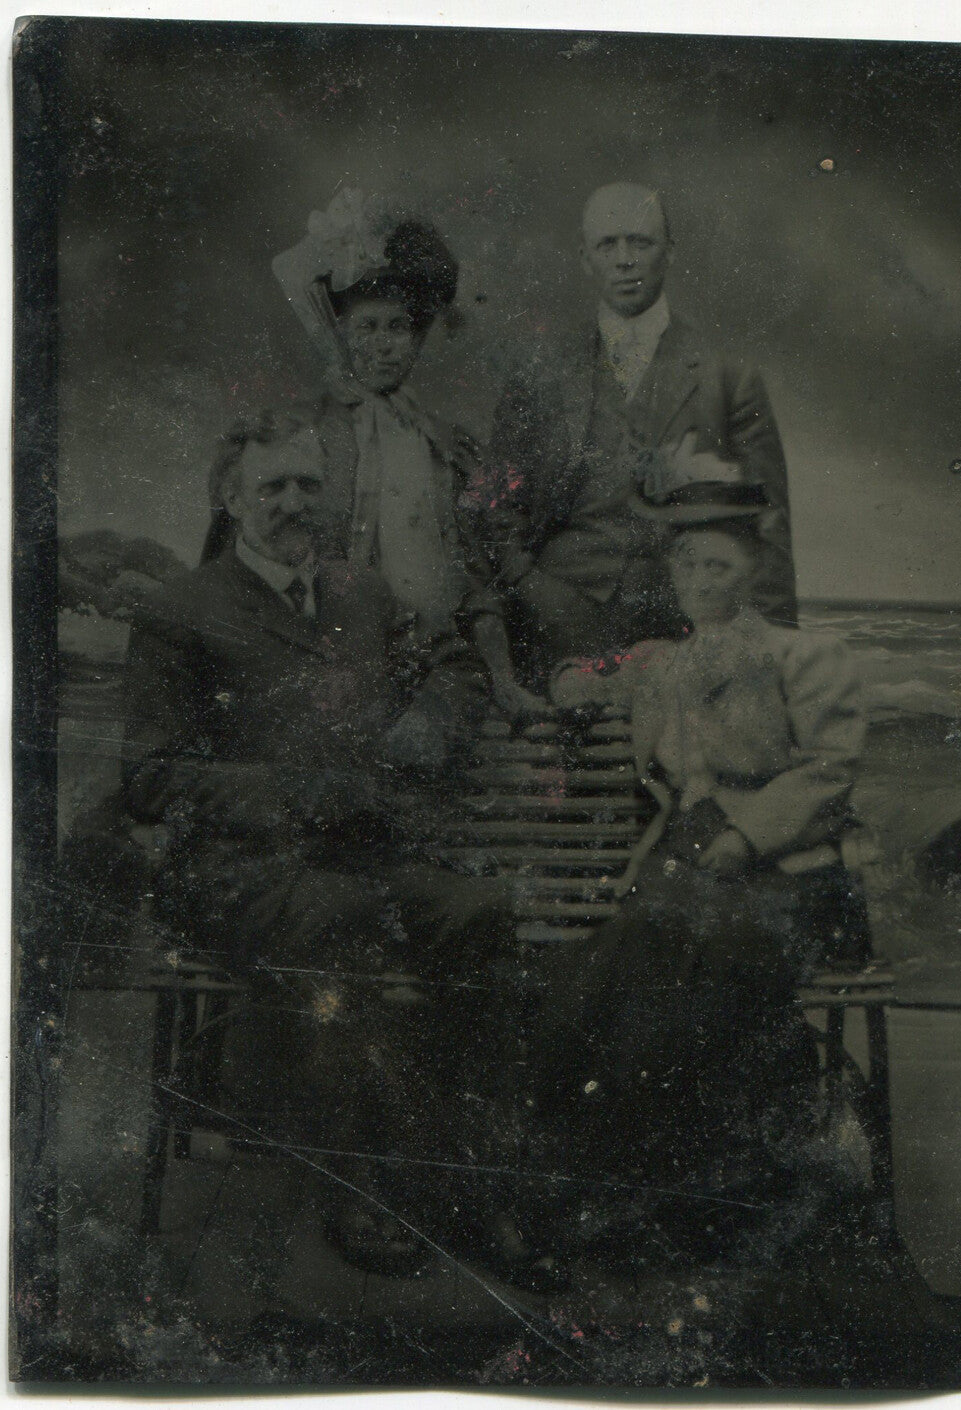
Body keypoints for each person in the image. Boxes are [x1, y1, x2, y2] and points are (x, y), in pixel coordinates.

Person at [122, 407, 520, 1273]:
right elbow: (150, 775)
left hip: (360, 850)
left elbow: (452, 665)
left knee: (477, 913)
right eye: (273, 486)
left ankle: (464, 1180)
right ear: (230, 498)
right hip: (238, 868)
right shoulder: (181, 609)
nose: (296, 502)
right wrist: (290, 792)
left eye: (309, 483)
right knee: (339, 920)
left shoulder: (361, 592)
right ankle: (363, 1188)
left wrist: (428, 724)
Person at [521, 490, 870, 1260]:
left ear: (752, 574)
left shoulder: (805, 657)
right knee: (609, 972)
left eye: (720, 564)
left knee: (690, 979)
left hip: (788, 877)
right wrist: (569, 681)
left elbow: (831, 771)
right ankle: (585, 1182)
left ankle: (662, 1196)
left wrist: (746, 838)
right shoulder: (665, 664)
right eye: (689, 562)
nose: (701, 578)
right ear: (672, 574)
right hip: (685, 872)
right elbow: (591, 677)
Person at [481, 181, 796, 677]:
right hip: (555, 611)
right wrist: (528, 585)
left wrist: (778, 649)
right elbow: (496, 504)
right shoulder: (539, 370)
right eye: (608, 244)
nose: (624, 260)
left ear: (669, 252)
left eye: (640, 242)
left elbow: (769, 520)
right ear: (585, 258)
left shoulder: (728, 374)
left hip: (687, 615)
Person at [268, 189, 547, 721]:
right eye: (367, 327)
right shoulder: (309, 436)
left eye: (399, 328)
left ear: (419, 341)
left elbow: (473, 571)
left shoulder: (443, 443)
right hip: (341, 664)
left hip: (440, 661)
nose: (384, 345)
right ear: (339, 332)